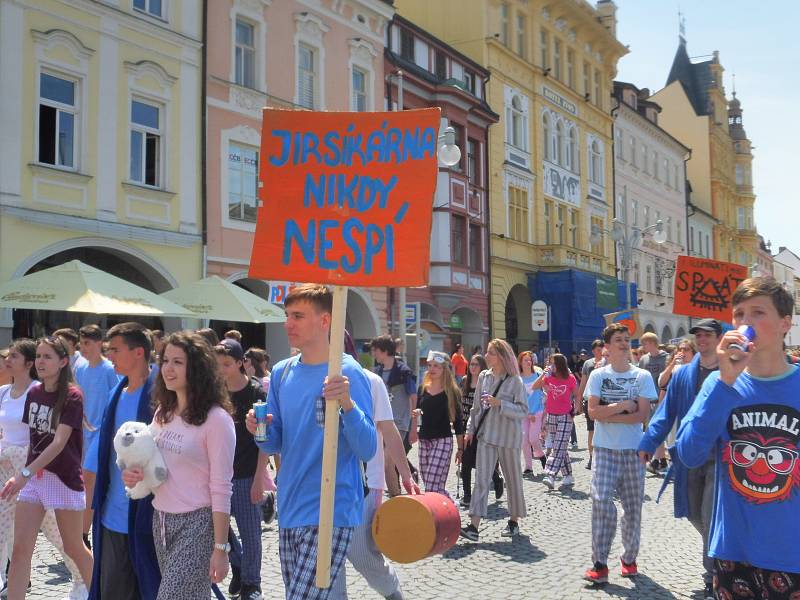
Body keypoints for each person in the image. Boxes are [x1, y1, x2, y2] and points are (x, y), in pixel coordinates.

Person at [245, 284, 376, 599]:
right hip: (291, 507)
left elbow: (368, 447)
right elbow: (274, 444)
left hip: (332, 508)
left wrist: (348, 404)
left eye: (298, 316)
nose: (288, 323)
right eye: (287, 315)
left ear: (325, 321)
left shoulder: (348, 373)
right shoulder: (281, 373)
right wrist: (258, 429)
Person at [676, 278, 800, 599]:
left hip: (792, 554)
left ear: (785, 323)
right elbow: (688, 453)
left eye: (758, 312)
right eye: (739, 314)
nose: (745, 323)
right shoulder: (720, 384)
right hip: (733, 553)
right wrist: (724, 382)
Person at [122, 332, 235, 599]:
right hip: (160, 520)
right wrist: (131, 473)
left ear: (196, 368)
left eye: (178, 362)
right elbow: (143, 455)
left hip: (197, 523)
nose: (168, 369)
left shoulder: (217, 420)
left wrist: (221, 548)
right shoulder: (164, 413)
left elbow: (221, 487)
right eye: (165, 360)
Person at [1, 336, 94, 600]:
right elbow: (34, 439)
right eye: (39, 356)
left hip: (63, 479)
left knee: (74, 547)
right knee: (20, 550)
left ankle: (100, 591)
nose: (40, 362)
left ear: (63, 361)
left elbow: (58, 443)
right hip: (34, 480)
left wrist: (23, 474)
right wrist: (27, 475)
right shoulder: (34, 393)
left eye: (47, 357)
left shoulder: (73, 396)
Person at [638, 319, 722, 599]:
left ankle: (712, 574)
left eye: (708, 334)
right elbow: (665, 411)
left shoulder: (731, 372)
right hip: (688, 456)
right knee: (693, 512)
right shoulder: (684, 374)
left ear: (719, 338)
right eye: (698, 334)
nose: (702, 339)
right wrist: (648, 442)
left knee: (710, 514)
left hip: (721, 459)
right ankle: (717, 551)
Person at [335, 331, 419, 600]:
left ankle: (392, 591)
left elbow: (390, 430)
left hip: (366, 484)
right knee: (328, 559)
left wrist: (405, 475)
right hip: (325, 485)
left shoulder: (370, 381)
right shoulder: (311, 379)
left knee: (362, 552)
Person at [86, 322, 161, 600]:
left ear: (138, 352)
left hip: (149, 515)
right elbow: (101, 455)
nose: (110, 355)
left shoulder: (161, 394)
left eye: (115, 350)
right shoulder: (115, 393)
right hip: (112, 516)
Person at [583, 323, 657, 584]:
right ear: (607, 347)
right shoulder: (598, 376)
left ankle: (628, 558)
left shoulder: (642, 377)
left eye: (627, 339)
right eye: (618, 339)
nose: (624, 343)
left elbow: (641, 415)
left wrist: (609, 413)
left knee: (633, 508)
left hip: (633, 451)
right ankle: (600, 563)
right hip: (604, 450)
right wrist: (622, 406)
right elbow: (592, 413)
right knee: (601, 502)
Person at [211, 338, 268, 600]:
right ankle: (237, 562)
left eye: (226, 364)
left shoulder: (256, 393)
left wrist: (260, 478)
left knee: (251, 531)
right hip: (217, 475)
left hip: (246, 474)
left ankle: (251, 584)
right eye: (217, 364)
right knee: (213, 526)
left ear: (239, 363)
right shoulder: (213, 393)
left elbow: (265, 439)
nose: (221, 369)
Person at [460, 339, 527, 542]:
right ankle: (474, 525)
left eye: (490, 353)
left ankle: (514, 521)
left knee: (513, 480)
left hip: (508, 438)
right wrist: (470, 430)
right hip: (486, 436)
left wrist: (500, 403)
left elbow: (523, 411)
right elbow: (476, 408)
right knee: (481, 480)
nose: (486, 356)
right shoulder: (484, 377)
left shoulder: (515, 381)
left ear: (501, 356)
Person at [75, 324, 120, 547]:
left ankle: (84, 532)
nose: (83, 348)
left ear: (98, 343)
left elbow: (116, 398)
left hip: (102, 431)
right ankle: (82, 529)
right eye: (81, 343)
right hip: (83, 430)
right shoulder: (80, 369)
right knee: (83, 480)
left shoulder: (110, 369)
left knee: (89, 478)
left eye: (87, 343)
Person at [409, 351, 464, 498]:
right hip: (424, 440)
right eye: (430, 365)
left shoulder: (452, 391)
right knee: (430, 484)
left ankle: (444, 511)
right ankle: (445, 512)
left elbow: (458, 422)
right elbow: (419, 409)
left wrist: (460, 448)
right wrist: (417, 415)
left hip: (443, 440)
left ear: (444, 369)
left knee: (432, 485)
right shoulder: (423, 388)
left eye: (436, 366)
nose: (432, 369)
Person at [372, 335, 418, 497]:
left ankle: (397, 496)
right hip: (380, 424)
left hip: (399, 423)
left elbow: (413, 397)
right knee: (385, 464)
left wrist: (414, 425)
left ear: (385, 351)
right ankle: (396, 495)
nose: (374, 354)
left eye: (376, 350)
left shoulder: (404, 371)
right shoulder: (376, 372)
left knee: (387, 461)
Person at [458, 354, 503, 507]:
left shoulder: (486, 383)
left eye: (476, 364)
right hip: (467, 427)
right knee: (465, 463)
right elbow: (462, 404)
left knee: (481, 463)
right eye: (471, 364)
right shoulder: (465, 381)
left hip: (483, 428)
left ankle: (496, 479)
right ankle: (467, 496)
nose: (473, 367)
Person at [532, 353, 579, 490]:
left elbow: (576, 394)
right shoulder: (548, 378)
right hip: (551, 415)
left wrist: (575, 409)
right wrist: (543, 374)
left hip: (565, 416)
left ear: (559, 364)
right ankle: (568, 476)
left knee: (557, 445)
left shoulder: (570, 378)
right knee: (561, 446)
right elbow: (535, 386)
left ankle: (550, 474)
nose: (549, 366)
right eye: (548, 363)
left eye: (552, 363)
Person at [578, 340, 605, 471]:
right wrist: (578, 401)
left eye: (602, 348)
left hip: (604, 400)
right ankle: (591, 456)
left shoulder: (608, 362)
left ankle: (602, 457)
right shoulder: (588, 364)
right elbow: (583, 383)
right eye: (598, 349)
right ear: (594, 350)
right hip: (590, 399)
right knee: (591, 430)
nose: (601, 351)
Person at [518, 351, 545, 475]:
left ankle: (542, 457)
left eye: (530, 360)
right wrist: (526, 413)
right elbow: (518, 398)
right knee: (524, 441)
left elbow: (544, 392)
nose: (529, 362)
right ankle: (528, 467)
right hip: (524, 414)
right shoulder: (518, 378)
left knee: (533, 438)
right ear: (520, 363)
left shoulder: (538, 374)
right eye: (526, 360)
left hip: (537, 412)